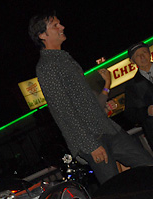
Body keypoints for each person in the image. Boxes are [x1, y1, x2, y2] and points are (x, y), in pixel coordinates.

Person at [28, 12, 153, 184]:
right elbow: (63, 110)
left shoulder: (66, 59)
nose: (62, 27)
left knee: (147, 165)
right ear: (42, 35)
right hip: (91, 139)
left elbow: (85, 101)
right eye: (55, 25)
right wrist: (90, 145)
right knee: (114, 187)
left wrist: (103, 101)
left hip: (108, 129)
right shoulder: (47, 67)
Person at [124, 42, 153, 147]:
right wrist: (147, 111)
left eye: (144, 52)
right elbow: (130, 114)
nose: (142, 57)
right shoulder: (131, 87)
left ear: (150, 53)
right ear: (132, 61)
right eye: (137, 55)